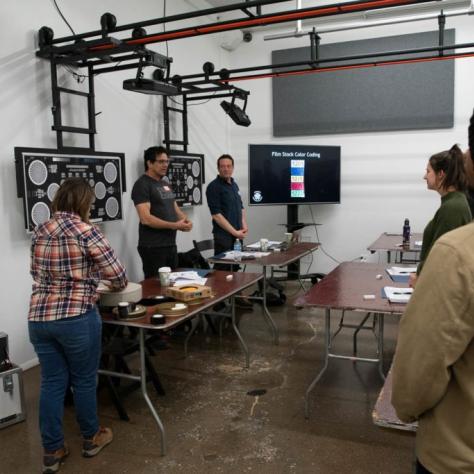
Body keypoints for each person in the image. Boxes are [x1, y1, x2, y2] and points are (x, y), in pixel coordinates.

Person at [28, 178, 128, 474]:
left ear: (58, 200)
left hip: (39, 317)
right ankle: (91, 437)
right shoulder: (87, 232)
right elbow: (119, 277)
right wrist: (92, 285)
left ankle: (52, 450)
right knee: (84, 380)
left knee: (51, 382)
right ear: (85, 203)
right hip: (76, 318)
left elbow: (36, 272)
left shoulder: (39, 230)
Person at [409, 144, 471, 287]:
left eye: (428, 171)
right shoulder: (452, 202)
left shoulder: (453, 207)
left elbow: (442, 257)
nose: (424, 176)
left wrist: (421, 277)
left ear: (441, 174)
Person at [131, 146, 192, 278]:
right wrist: (176, 225)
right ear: (149, 163)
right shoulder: (142, 184)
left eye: (166, 161)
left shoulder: (165, 184)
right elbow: (145, 218)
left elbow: (175, 209)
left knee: (172, 284)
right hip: (153, 247)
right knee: (156, 288)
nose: (165, 165)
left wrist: (185, 221)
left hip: (170, 244)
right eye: (161, 161)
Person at [205, 154, 248, 270]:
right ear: (218, 168)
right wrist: (235, 232)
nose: (226, 169)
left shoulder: (234, 185)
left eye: (229, 166)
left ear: (233, 168)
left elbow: (241, 207)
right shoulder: (213, 187)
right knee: (223, 269)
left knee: (235, 266)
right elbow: (216, 215)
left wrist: (244, 224)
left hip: (237, 236)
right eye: (223, 166)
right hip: (223, 237)